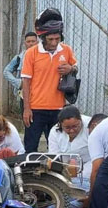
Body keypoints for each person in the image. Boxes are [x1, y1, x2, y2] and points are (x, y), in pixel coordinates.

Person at [21, 8, 77, 153]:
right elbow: (25, 82)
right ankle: (29, 174)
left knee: (57, 147)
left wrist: (70, 68)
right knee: (31, 146)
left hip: (58, 108)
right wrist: (27, 109)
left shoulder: (66, 50)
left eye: (57, 39)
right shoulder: (31, 53)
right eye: (50, 39)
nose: (54, 42)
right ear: (43, 37)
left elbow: (75, 67)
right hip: (36, 108)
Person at [48, 105, 93, 208]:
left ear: (81, 121)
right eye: (67, 128)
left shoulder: (90, 126)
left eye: (75, 126)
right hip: (65, 166)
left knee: (85, 183)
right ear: (61, 125)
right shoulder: (54, 131)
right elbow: (54, 157)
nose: (72, 131)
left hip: (89, 163)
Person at [3, 32, 39, 114]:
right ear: (25, 43)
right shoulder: (19, 57)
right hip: (25, 95)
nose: (31, 44)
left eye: (33, 41)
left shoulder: (43, 56)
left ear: (37, 42)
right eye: (28, 41)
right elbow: (6, 71)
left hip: (40, 94)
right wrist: (18, 82)